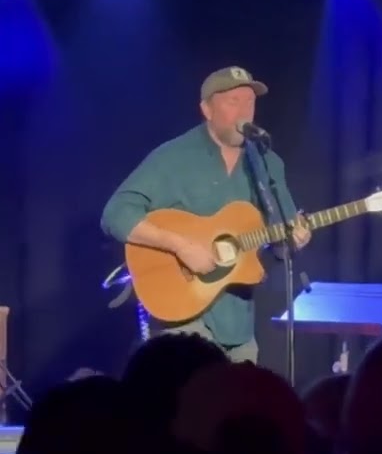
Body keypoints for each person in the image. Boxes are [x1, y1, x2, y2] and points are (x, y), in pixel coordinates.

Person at [101, 67, 311, 363]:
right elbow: (116, 213)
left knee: (243, 391)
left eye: (249, 102)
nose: (244, 111)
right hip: (181, 317)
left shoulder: (267, 162)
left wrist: (295, 238)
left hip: (238, 321)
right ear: (207, 109)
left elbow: (282, 240)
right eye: (233, 101)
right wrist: (181, 246)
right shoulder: (174, 157)